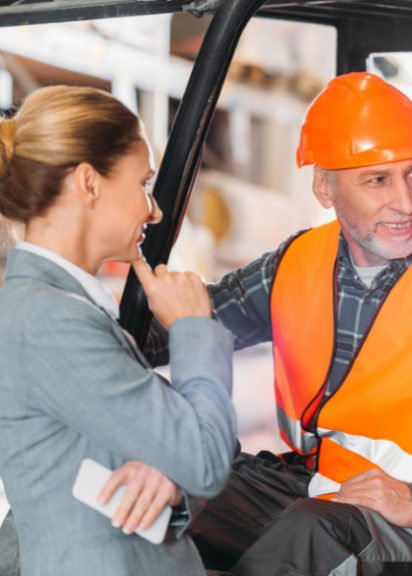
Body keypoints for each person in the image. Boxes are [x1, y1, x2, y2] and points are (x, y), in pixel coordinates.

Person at [144, 71, 412, 576]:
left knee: (312, 534)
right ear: (324, 187)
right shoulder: (298, 263)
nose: (406, 202)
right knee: (183, 481)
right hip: (326, 491)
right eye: (377, 179)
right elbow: (189, 323)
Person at [0, 85, 238, 576]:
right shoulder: (49, 320)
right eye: (142, 185)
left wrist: (167, 468)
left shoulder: (61, 307)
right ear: (88, 183)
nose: (154, 210)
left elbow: (181, 449)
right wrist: (193, 328)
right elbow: (205, 456)